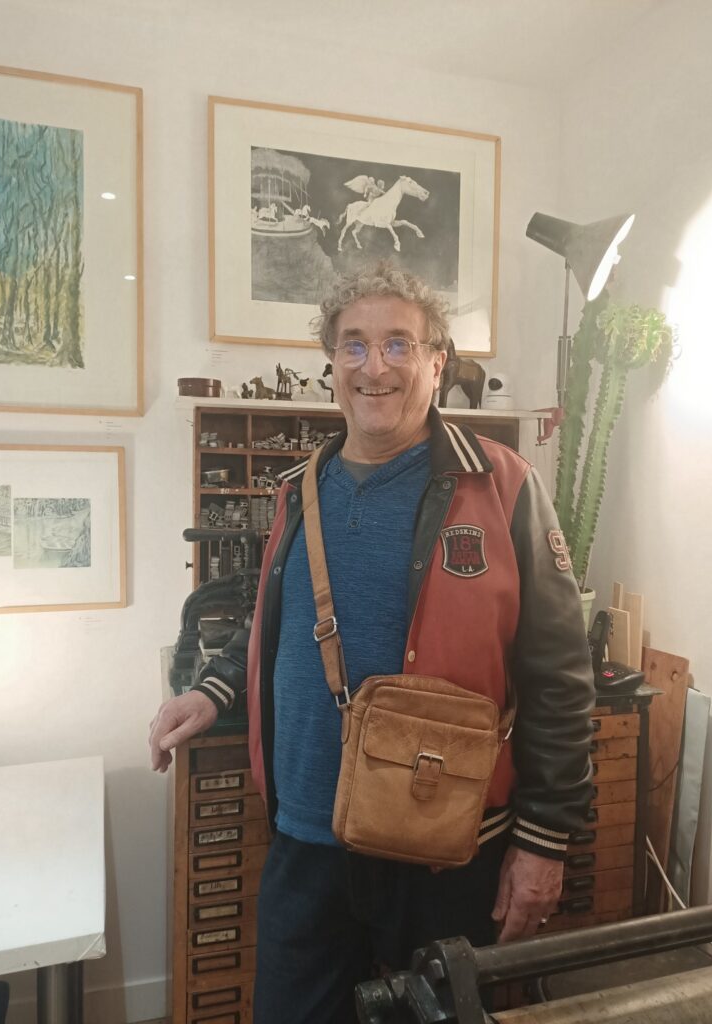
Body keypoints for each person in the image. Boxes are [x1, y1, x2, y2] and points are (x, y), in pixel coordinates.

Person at [149, 262, 595, 1023]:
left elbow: (560, 676)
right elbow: (276, 618)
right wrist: (213, 689)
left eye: (398, 344)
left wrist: (543, 842)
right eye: (353, 344)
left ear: (437, 363)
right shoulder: (299, 488)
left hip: (447, 846)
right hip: (307, 840)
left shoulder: (503, 486)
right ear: (332, 362)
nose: (374, 366)